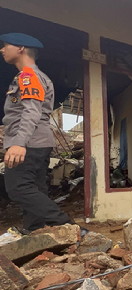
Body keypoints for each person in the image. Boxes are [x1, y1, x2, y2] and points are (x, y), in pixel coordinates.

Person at [0, 33, 74, 234]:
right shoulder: (35, 76)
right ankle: (34, 230)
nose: (2, 49)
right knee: (36, 187)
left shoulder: (28, 76)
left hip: (28, 142)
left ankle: (66, 224)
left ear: (21, 49)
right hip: (38, 141)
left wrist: (18, 143)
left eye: (5, 45)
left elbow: (31, 111)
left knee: (17, 187)